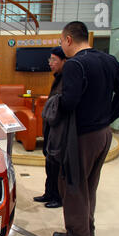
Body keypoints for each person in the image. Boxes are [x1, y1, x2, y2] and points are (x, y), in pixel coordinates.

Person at [53, 21, 119, 236]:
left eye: (61, 41)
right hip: (103, 134)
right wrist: (108, 117)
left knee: (73, 185)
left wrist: (56, 103)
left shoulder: (74, 64)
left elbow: (69, 102)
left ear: (68, 39)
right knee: (90, 184)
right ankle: (88, 228)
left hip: (81, 136)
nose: (62, 46)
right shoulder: (109, 60)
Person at [34, 46, 67, 209]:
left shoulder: (67, 78)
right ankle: (49, 193)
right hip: (50, 127)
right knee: (49, 162)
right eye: (50, 59)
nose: (50, 62)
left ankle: (58, 197)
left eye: (54, 59)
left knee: (56, 164)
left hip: (58, 129)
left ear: (64, 61)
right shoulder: (58, 77)